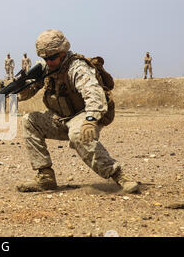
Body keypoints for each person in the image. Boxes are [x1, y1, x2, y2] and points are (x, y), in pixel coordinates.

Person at [16, 29, 139, 194]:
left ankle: (119, 176)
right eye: (45, 58)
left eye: (52, 57)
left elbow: (94, 95)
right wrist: (20, 87)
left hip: (82, 114)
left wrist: (90, 119)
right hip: (62, 117)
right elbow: (27, 93)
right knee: (29, 120)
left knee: (78, 133)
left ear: (63, 52)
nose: (49, 61)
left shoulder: (77, 67)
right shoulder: (46, 68)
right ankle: (45, 177)